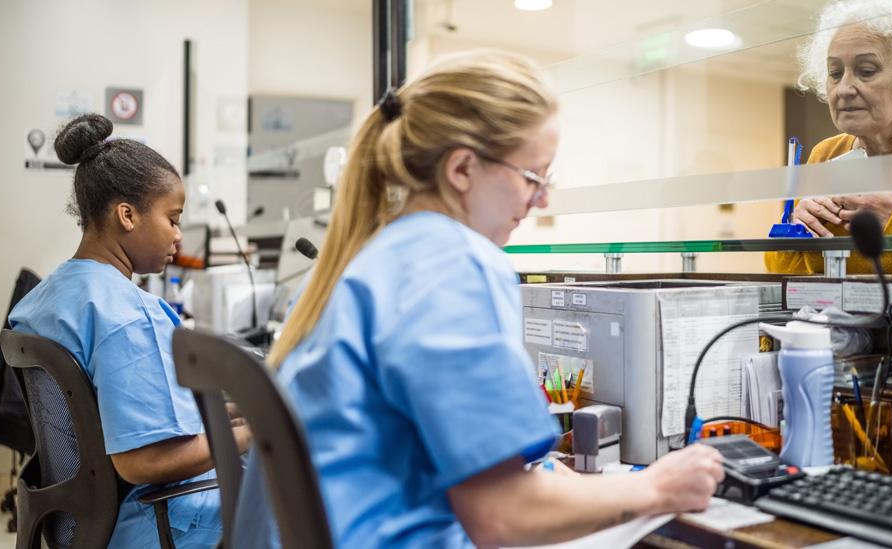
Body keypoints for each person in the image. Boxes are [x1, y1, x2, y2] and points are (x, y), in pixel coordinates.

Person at [233, 50, 723, 549]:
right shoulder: (454, 262)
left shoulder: (369, 259)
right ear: (463, 169)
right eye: (534, 177)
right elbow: (502, 516)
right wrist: (656, 486)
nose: (543, 200)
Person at [9, 114, 251, 548]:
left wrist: (234, 416)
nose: (178, 236)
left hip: (80, 519)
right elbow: (145, 460)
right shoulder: (128, 315)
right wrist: (256, 433)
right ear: (127, 215)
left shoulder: (52, 297)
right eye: (172, 219)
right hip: (152, 520)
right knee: (305, 491)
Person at [765, 0, 892, 275]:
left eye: (866, 71)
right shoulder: (825, 154)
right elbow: (785, 274)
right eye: (835, 74)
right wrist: (794, 230)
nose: (844, 88)